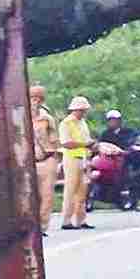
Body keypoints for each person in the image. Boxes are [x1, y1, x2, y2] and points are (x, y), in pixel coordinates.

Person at [58, 95, 95, 229]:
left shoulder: (82, 123)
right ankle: (66, 220)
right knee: (70, 190)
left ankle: (81, 220)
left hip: (83, 157)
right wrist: (84, 144)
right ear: (76, 109)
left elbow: (87, 140)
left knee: (82, 191)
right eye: (82, 110)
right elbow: (66, 143)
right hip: (71, 158)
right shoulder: (66, 123)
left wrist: (89, 147)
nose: (84, 112)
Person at [28, 85, 59, 233]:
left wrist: (52, 151)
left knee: (46, 195)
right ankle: (31, 224)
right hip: (29, 161)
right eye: (32, 98)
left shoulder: (47, 119)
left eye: (38, 98)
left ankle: (42, 226)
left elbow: (54, 139)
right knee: (30, 195)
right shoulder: (22, 117)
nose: (35, 101)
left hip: (47, 159)